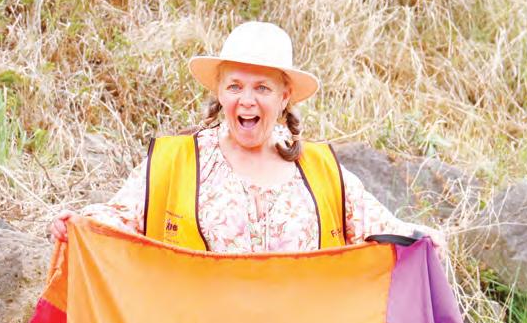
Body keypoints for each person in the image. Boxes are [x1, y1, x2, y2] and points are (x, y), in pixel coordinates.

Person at [50, 21, 444, 254]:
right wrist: (79, 225)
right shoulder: (176, 162)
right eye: (235, 86)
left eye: (262, 88)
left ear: (285, 97)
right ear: (220, 92)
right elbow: (119, 218)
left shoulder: (321, 171)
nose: (247, 100)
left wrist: (422, 240)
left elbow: (381, 228)